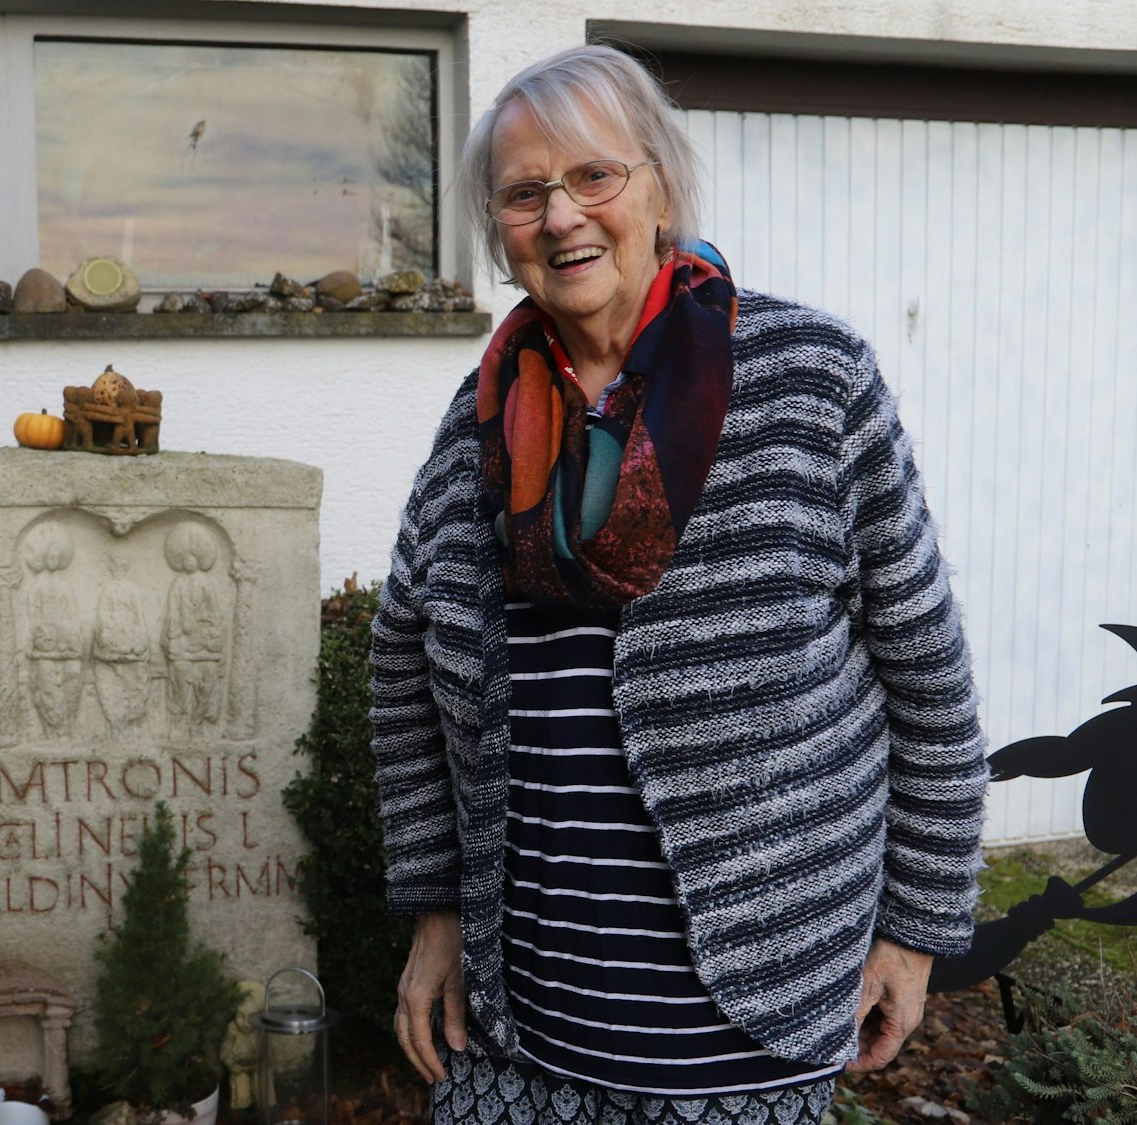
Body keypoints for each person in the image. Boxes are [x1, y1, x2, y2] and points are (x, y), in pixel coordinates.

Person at [369, 44, 988, 1124]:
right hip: (521, 1041)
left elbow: (926, 677)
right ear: (497, 231)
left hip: (746, 1041)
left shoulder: (807, 379)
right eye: (523, 194)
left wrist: (914, 928)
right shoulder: (478, 423)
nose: (560, 217)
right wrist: (433, 912)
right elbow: (399, 669)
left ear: (658, 185)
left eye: (592, 177)